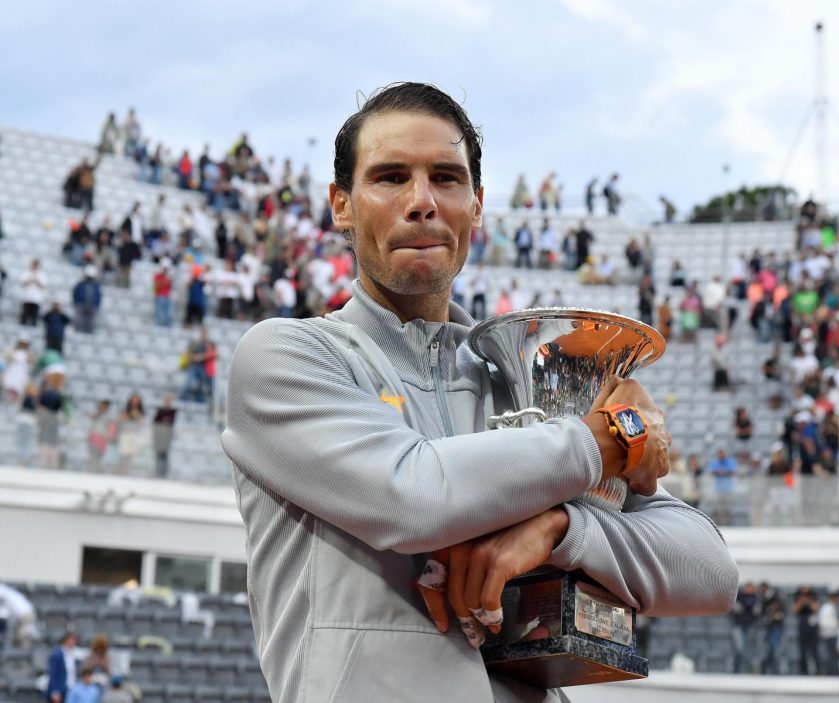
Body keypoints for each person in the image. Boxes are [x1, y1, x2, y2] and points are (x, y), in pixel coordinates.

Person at [221, 82, 737, 703]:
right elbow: (413, 496)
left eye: (446, 177)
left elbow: (711, 571)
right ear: (342, 206)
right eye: (389, 178)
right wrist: (606, 441)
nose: (421, 202)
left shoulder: (522, 388)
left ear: (477, 204)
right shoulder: (287, 357)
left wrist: (560, 527)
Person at [46, 632, 78, 702]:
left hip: (71, 689)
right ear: (66, 640)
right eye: (71, 640)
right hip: (60, 690)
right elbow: (53, 674)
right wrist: (55, 691)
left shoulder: (74, 654)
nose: (73, 642)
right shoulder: (57, 655)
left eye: (74, 640)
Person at [153, 393, 177, 478]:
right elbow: (156, 421)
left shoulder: (173, 411)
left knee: (166, 456)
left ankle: (164, 474)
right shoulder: (160, 410)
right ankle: (157, 473)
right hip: (160, 436)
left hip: (167, 437)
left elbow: (171, 421)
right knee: (158, 456)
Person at [72, 266, 102, 334]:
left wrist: (97, 305)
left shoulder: (96, 286)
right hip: (81, 304)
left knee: (90, 321)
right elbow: (75, 293)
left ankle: (89, 333)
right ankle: (78, 332)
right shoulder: (80, 284)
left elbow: (98, 296)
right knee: (80, 320)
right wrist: (76, 302)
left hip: (92, 305)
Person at [818, 592, 839, 675]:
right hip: (828, 635)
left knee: (833, 656)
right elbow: (823, 622)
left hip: (833, 634)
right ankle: (831, 673)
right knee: (831, 656)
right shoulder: (826, 608)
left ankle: (833, 672)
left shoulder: (832, 607)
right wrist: (836, 625)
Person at [19, 258, 47, 326]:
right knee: (25, 313)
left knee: (34, 314)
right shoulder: (27, 272)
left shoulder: (41, 274)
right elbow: (22, 283)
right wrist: (30, 279)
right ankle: (23, 324)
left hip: (36, 297)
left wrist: (36, 279)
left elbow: (44, 285)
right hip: (27, 296)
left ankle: (33, 325)